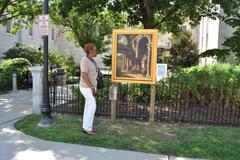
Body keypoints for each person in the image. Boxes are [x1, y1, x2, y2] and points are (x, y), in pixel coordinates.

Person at [80, 43, 98, 135]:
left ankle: (85, 126)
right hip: (86, 87)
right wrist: (91, 87)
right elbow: (84, 75)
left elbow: (93, 71)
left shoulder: (92, 60)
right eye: (95, 49)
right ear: (90, 51)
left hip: (90, 87)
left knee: (88, 106)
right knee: (92, 106)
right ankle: (88, 128)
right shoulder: (85, 60)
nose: (96, 51)